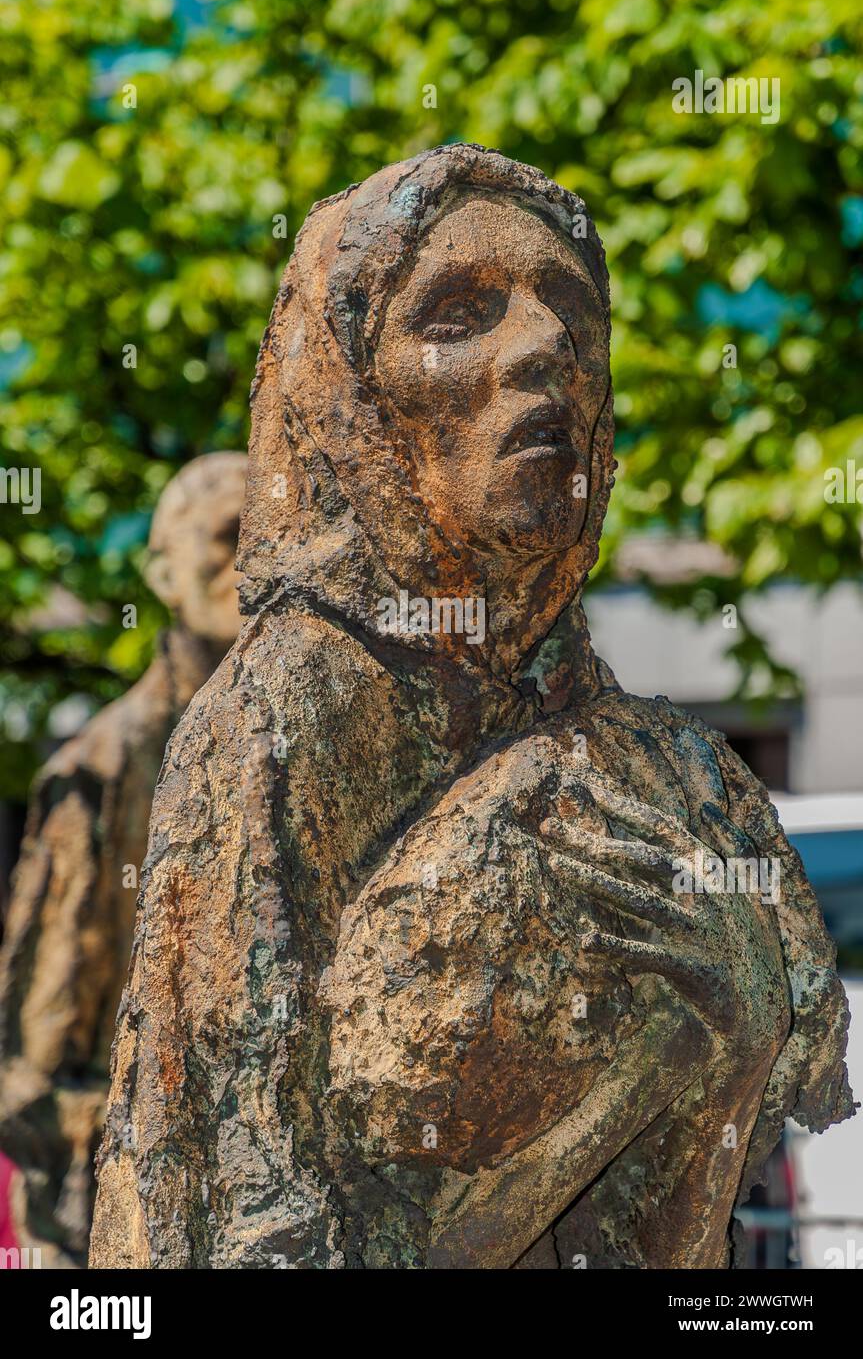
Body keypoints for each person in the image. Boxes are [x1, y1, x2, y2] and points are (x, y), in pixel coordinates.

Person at [89, 146, 851, 1270]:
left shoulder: (655, 767)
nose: (544, 346)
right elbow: (268, 1244)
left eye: (573, 318)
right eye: (457, 314)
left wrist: (727, 1050)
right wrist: (642, 1072)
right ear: (345, 394)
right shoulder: (285, 718)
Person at [0, 452, 247, 1267]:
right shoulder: (102, 771)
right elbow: (31, 1070)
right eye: (228, 537)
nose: (253, 562)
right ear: (162, 573)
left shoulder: (316, 749)